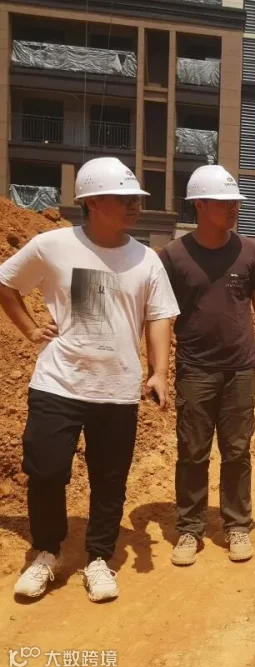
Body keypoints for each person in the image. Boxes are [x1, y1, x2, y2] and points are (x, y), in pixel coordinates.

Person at [0, 157, 179, 602]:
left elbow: (159, 317)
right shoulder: (52, 245)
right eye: (124, 197)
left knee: (109, 479)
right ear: (93, 201)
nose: (135, 205)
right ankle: (48, 551)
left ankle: (99, 557)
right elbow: (5, 282)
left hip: (117, 389)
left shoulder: (147, 259)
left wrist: (159, 372)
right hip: (57, 383)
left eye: (136, 198)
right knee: (45, 469)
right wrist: (29, 330)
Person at [158, 165, 255, 567]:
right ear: (199, 204)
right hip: (195, 369)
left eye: (235, 203)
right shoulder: (173, 256)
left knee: (237, 450)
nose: (234, 208)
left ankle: (237, 524)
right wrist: (157, 367)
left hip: (241, 369)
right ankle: (190, 528)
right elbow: (158, 313)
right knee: (192, 452)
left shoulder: (249, 251)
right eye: (224, 202)